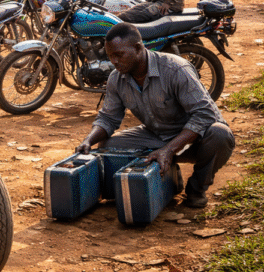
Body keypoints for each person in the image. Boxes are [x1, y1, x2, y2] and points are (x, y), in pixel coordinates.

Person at [75, 23, 235, 209]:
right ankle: (169, 180)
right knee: (108, 146)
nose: (115, 62)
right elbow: (108, 119)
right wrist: (88, 140)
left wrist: (169, 150)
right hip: (156, 136)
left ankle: (197, 189)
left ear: (138, 48)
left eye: (119, 55)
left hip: (195, 139)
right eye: (110, 56)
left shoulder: (175, 69)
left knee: (220, 134)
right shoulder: (115, 79)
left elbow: (205, 115)